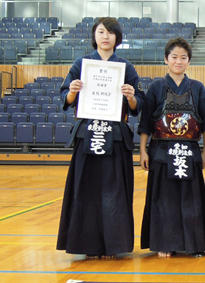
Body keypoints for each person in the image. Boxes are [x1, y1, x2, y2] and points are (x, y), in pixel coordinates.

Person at [57, 17, 145, 259]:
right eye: (101, 32)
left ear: (118, 37)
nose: (105, 36)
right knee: (86, 190)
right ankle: (87, 246)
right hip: (88, 136)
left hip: (115, 137)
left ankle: (113, 246)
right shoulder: (81, 64)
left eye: (110, 32)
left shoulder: (125, 67)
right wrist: (73, 92)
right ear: (94, 36)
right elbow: (64, 98)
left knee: (114, 192)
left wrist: (131, 97)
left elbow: (139, 105)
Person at [138, 38, 205, 258]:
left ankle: (194, 244)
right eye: (174, 57)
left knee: (192, 200)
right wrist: (142, 150)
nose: (178, 61)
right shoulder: (156, 87)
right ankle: (164, 242)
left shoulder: (197, 88)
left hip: (190, 152)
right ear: (165, 60)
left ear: (189, 61)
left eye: (183, 57)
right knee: (164, 200)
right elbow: (145, 123)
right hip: (162, 152)